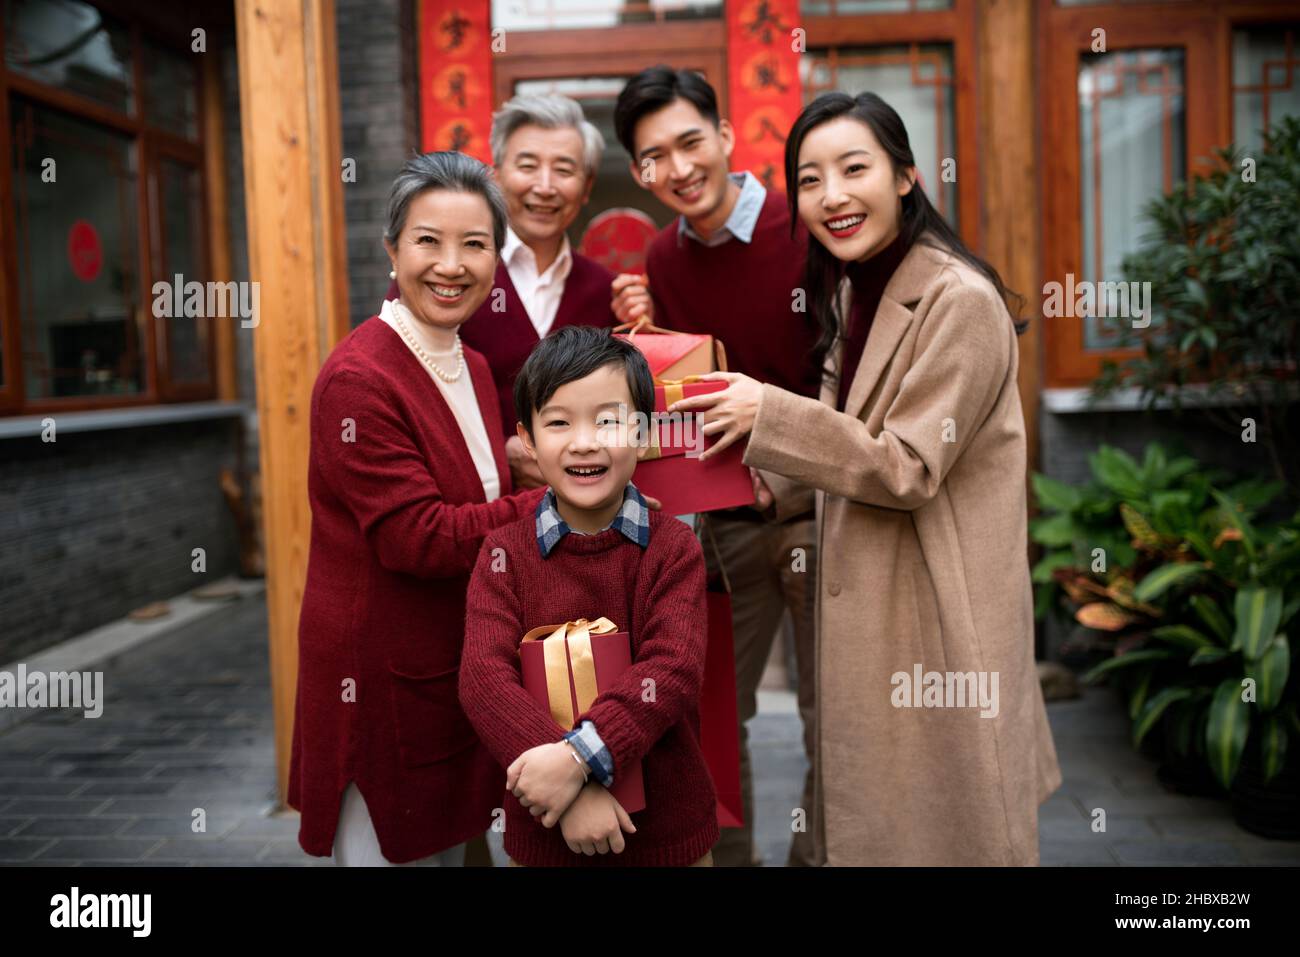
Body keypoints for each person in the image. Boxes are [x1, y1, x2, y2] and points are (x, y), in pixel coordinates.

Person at [671, 92, 1062, 865]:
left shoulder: (959, 300)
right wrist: (770, 486)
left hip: (934, 610)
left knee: (948, 825)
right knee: (884, 818)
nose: (833, 196)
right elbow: (845, 431)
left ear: (907, 176)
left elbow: (908, 463)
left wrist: (768, 414)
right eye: (810, 179)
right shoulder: (855, 287)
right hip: (878, 595)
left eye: (855, 169)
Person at [289, 151, 548, 866]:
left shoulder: (473, 362)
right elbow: (420, 537)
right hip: (380, 675)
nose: (451, 264)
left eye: (475, 243)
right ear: (392, 250)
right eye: (428, 240)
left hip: (453, 662)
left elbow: (475, 498)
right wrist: (556, 505)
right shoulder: (359, 376)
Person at [610, 65, 823, 867]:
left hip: (828, 512)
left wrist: (791, 462)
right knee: (709, 716)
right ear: (638, 173)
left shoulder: (807, 226)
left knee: (833, 718)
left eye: (691, 141)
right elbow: (679, 392)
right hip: (726, 525)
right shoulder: (663, 258)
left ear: (727, 137)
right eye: (654, 156)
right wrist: (641, 330)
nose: (678, 167)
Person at [459, 326, 719, 866]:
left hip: (666, 836)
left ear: (646, 432)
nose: (584, 441)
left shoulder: (672, 548)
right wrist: (569, 788)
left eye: (608, 420)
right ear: (527, 440)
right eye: (558, 422)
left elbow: (671, 669)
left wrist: (580, 761)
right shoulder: (503, 554)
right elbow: (484, 679)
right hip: (549, 827)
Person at [389, 95, 618, 492]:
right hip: (466, 512)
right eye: (527, 165)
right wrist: (499, 452)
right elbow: (404, 391)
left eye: (564, 169)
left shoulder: (605, 290)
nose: (544, 186)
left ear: (586, 186)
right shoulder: (449, 276)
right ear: (496, 175)